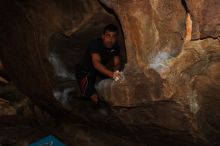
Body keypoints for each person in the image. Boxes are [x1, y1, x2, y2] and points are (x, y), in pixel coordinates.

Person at [76, 24, 122, 107]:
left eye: (114, 36)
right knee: (94, 98)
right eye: (108, 36)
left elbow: (117, 63)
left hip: (97, 72)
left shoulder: (115, 46)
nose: (110, 40)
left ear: (117, 38)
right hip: (84, 72)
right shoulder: (95, 44)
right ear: (103, 36)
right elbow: (96, 63)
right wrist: (113, 75)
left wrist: (117, 71)